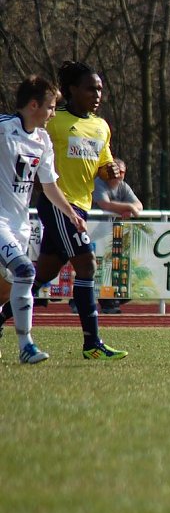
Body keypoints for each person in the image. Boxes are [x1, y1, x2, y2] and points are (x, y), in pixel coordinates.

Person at [25, 61, 127, 359]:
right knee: (87, 265)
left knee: (43, 275)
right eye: (90, 88)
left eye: (100, 89)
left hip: (81, 207)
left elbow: (106, 171)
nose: (97, 94)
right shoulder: (55, 121)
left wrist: (117, 169)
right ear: (72, 90)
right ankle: (91, 343)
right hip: (59, 204)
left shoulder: (100, 126)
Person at [0, 75, 88, 363]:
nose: (53, 113)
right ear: (34, 105)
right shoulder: (3, 130)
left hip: (20, 225)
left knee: (6, 291)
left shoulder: (42, 140)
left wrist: (70, 213)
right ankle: (26, 346)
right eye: (51, 107)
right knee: (26, 272)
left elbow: (49, 185)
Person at [91, 157, 143, 314]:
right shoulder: (98, 183)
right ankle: (83, 302)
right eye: (116, 172)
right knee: (91, 269)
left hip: (110, 236)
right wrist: (127, 207)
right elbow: (104, 204)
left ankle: (110, 301)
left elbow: (139, 205)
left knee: (114, 270)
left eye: (122, 173)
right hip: (91, 233)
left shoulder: (123, 186)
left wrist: (129, 208)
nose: (119, 176)